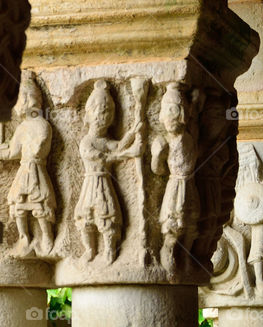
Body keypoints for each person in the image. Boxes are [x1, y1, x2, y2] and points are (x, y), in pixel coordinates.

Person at [75, 80, 142, 263]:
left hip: (105, 183)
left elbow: (117, 146)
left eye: (108, 112)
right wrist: (129, 153)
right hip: (91, 183)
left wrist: (133, 132)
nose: (103, 116)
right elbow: (104, 158)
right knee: (86, 218)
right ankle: (90, 250)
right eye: (99, 111)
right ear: (87, 116)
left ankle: (110, 250)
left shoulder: (105, 140)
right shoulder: (86, 142)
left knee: (108, 217)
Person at [0, 74, 56, 256]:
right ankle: (24, 237)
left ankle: (46, 236)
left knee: (39, 205)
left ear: (25, 100)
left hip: (36, 169)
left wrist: (36, 147)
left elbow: (41, 144)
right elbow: (13, 152)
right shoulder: (22, 127)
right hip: (24, 170)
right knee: (17, 205)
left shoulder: (42, 124)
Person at [151, 83, 200, 270]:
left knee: (191, 224)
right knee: (172, 223)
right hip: (175, 186)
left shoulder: (189, 136)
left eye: (175, 112)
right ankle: (168, 251)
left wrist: (196, 101)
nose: (171, 118)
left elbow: (195, 122)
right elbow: (158, 171)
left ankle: (186, 255)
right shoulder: (163, 141)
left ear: (182, 116)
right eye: (167, 113)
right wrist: (156, 155)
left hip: (190, 184)